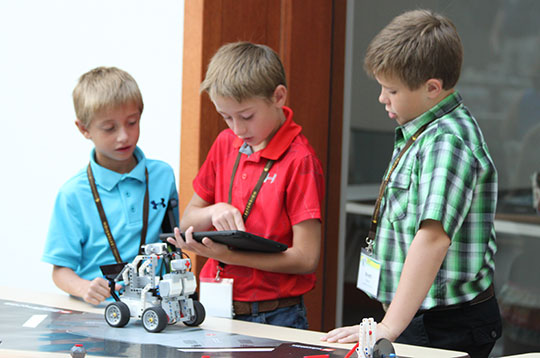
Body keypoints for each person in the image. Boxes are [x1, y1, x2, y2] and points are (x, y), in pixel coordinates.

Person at [321, 9, 502, 358]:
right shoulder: (421, 130)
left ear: (432, 88)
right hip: (417, 314)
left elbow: (432, 238)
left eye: (392, 90)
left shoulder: (447, 142)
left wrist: (388, 326)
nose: (382, 98)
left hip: (445, 323)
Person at [166, 41, 324, 329]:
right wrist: (215, 211)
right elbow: (187, 219)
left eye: (247, 116)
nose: (237, 129)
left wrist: (233, 257)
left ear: (278, 96)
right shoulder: (226, 143)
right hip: (215, 305)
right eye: (226, 117)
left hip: (275, 314)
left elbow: (305, 258)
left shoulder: (300, 160)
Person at [42, 67, 178, 305]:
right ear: (84, 129)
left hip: (154, 306)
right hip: (99, 310)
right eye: (109, 128)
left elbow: (174, 240)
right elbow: (60, 270)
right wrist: (84, 287)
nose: (124, 136)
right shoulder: (73, 194)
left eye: (132, 122)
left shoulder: (162, 176)